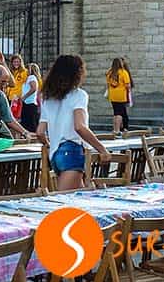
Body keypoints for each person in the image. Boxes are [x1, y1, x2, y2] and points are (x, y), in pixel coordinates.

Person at [36, 54, 112, 191]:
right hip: (72, 150)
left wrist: (50, 144)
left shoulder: (47, 97)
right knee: (65, 201)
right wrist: (102, 149)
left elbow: (40, 132)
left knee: (79, 199)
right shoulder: (79, 95)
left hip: (55, 153)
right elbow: (80, 126)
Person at [105, 57, 132, 134]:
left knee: (115, 113)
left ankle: (114, 129)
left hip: (112, 95)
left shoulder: (109, 73)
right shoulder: (123, 72)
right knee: (120, 113)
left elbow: (108, 84)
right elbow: (127, 85)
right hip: (121, 96)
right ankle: (117, 130)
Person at [20, 63, 42, 133]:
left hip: (28, 103)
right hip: (30, 103)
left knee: (29, 125)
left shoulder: (31, 77)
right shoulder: (34, 78)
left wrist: (24, 97)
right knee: (31, 124)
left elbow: (34, 88)